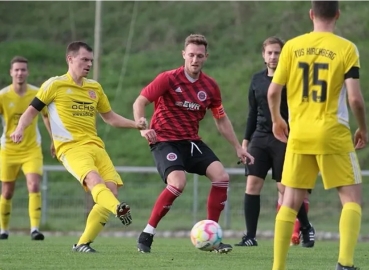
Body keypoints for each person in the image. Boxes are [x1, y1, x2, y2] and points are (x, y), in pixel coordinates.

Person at [11, 41, 148, 252]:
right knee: (94, 182)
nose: (89, 64)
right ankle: (118, 209)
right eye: (84, 59)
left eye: (91, 60)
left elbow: (110, 118)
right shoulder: (54, 85)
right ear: (70, 59)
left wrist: (135, 125)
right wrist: (20, 128)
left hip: (95, 146)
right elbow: (32, 111)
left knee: (110, 189)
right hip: (70, 148)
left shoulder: (94, 88)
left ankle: (83, 243)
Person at [133, 34, 254, 254]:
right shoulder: (168, 79)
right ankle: (147, 234)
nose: (195, 59)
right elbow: (140, 101)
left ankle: (213, 237)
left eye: (199, 55)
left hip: (190, 141)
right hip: (164, 140)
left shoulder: (210, 87)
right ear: (183, 55)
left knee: (221, 177)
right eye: (191, 55)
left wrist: (238, 146)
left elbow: (221, 118)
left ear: (206, 57)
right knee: (178, 183)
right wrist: (143, 127)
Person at [268, 1, 366, 270]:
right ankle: (344, 263)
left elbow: (273, 92)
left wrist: (278, 120)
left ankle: (278, 266)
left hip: (299, 134)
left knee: (289, 201)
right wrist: (363, 129)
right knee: (351, 199)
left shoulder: (292, 47)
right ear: (337, 14)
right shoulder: (346, 48)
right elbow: (356, 99)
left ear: (311, 14)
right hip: (332, 133)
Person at [235, 37, 314, 248]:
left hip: (285, 137)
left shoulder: (292, 78)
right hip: (260, 137)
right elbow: (252, 113)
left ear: (284, 55)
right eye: (269, 53)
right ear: (263, 55)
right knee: (252, 184)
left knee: (284, 187)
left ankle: (306, 227)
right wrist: (245, 141)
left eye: (277, 53)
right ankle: (250, 236)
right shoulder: (256, 80)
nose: (273, 57)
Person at [0, 56, 52, 241]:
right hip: (9, 150)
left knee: (34, 184)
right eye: (17, 70)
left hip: (31, 149)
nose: (20, 73)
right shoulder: (3, 95)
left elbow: (46, 116)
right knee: (7, 191)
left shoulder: (37, 94)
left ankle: (34, 229)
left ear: (27, 72)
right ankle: (3, 230)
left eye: (23, 69)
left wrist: (54, 139)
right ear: (11, 72)